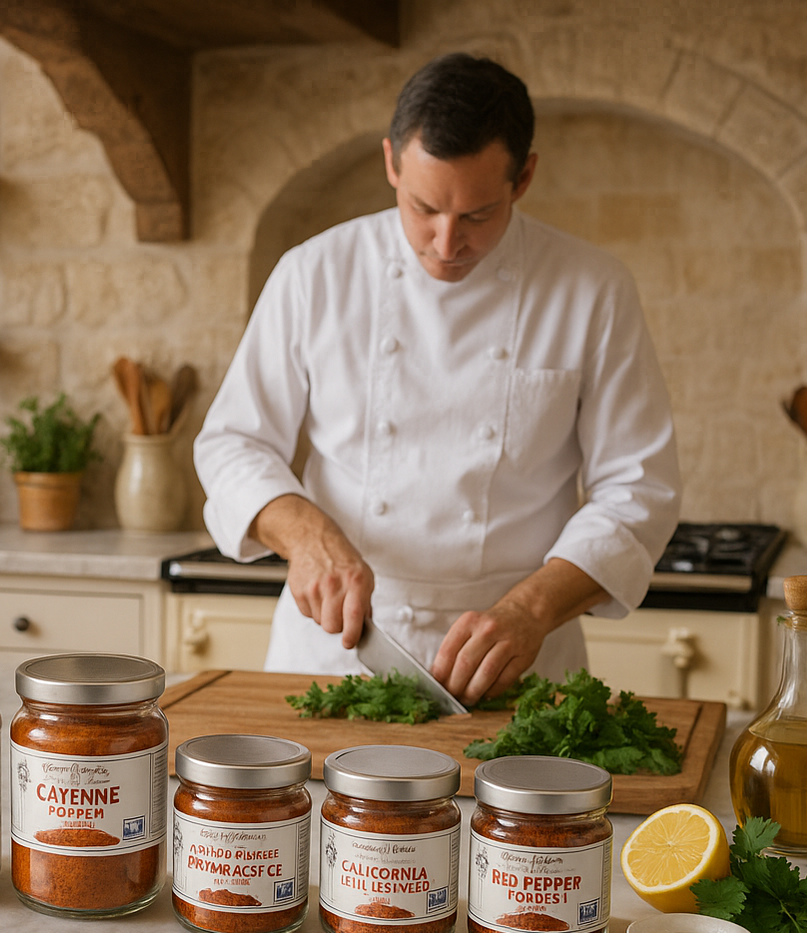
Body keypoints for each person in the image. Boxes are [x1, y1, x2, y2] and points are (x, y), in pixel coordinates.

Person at [192, 52, 681, 705]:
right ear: (391, 163)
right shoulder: (314, 274)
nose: (446, 244)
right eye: (423, 208)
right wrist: (306, 535)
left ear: (524, 177)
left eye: (478, 215)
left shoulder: (592, 290)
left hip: (518, 663)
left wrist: (533, 608)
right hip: (337, 650)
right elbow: (233, 443)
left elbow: (639, 487)